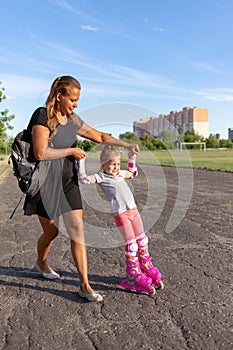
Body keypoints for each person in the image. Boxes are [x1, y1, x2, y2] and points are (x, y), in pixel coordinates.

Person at [23, 75, 140, 302]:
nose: (76, 104)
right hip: (45, 183)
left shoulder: (72, 119)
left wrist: (126, 145)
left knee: (78, 231)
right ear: (59, 96)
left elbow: (98, 135)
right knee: (52, 232)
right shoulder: (42, 115)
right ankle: (41, 263)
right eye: (73, 99)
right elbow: (40, 153)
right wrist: (70, 151)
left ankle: (84, 285)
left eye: (78, 100)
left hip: (68, 182)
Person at [78, 146, 164, 295]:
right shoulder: (101, 177)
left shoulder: (120, 174)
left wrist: (131, 158)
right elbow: (84, 179)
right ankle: (133, 274)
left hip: (133, 210)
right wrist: (81, 162)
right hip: (121, 214)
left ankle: (145, 266)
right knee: (131, 244)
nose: (116, 167)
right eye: (112, 164)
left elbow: (133, 173)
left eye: (118, 164)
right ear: (103, 164)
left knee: (142, 240)